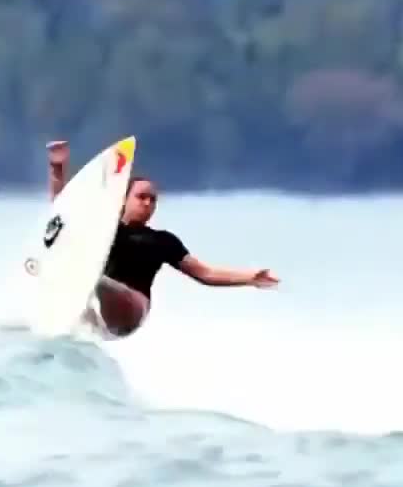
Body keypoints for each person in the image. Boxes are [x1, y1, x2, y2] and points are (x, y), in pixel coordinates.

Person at [46, 139, 279, 338]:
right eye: (141, 197)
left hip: (133, 309)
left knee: (97, 280)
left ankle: (90, 284)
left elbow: (205, 274)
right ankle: (72, 317)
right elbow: (62, 213)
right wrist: (57, 170)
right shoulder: (106, 228)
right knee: (78, 261)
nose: (148, 203)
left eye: (153, 199)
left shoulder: (163, 241)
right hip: (102, 311)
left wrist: (250, 277)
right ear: (124, 199)